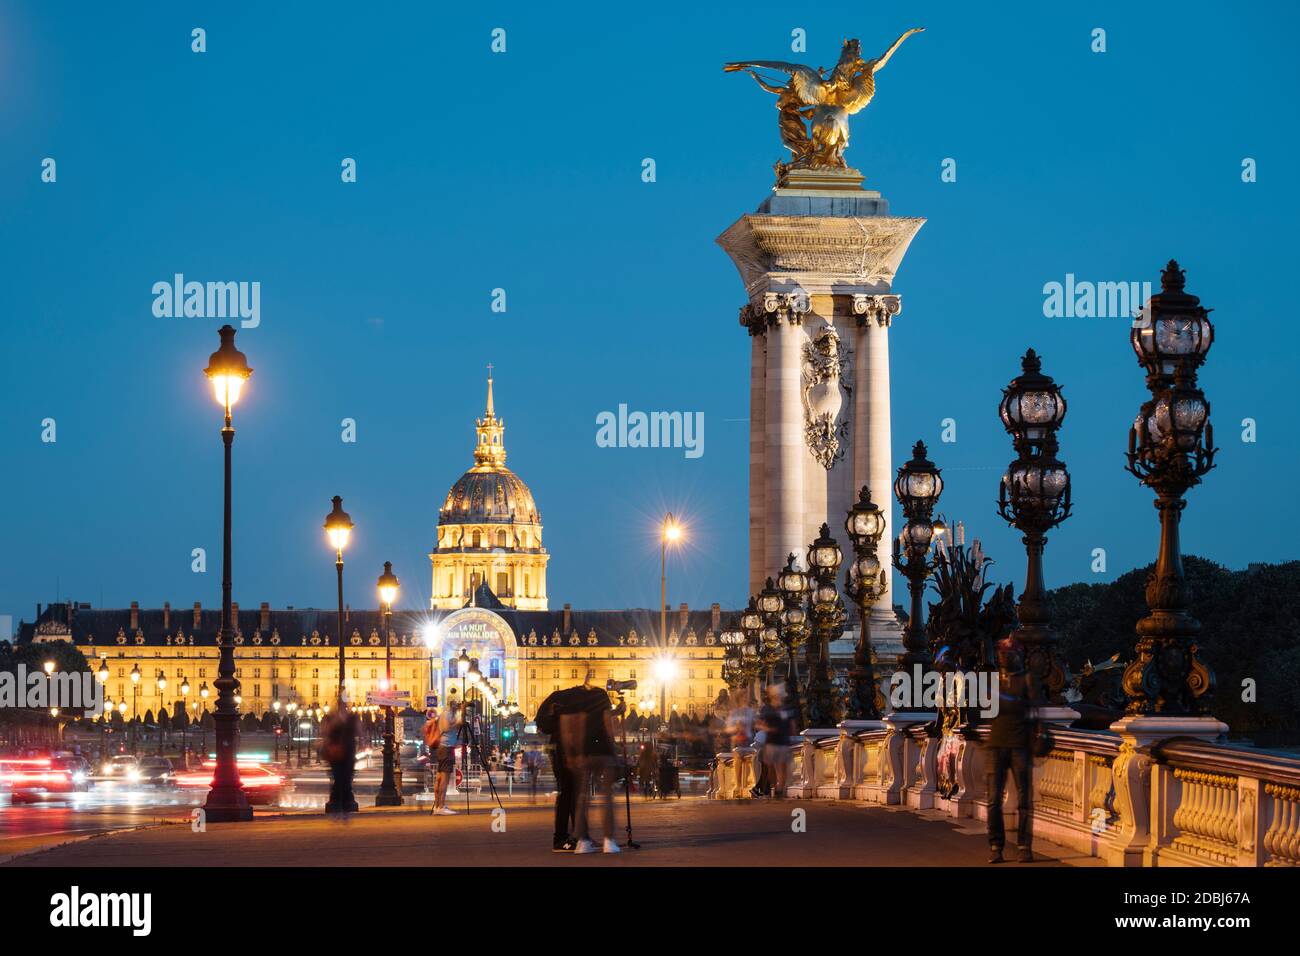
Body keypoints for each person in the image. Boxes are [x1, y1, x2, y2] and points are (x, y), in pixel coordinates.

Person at [559, 668, 620, 853]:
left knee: (582, 797)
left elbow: (566, 726)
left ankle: (583, 841)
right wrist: (615, 749)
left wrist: (570, 753)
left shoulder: (572, 698)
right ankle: (609, 841)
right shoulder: (601, 695)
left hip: (583, 751)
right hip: (603, 750)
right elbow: (608, 723)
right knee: (607, 795)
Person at [986, 638, 1034, 863]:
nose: (1003, 657)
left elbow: (1037, 712)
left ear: (1017, 655)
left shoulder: (1026, 680)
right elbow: (985, 711)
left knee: (1024, 799)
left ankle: (1024, 846)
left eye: (1007, 653)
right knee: (993, 800)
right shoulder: (994, 682)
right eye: (1001, 653)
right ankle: (996, 846)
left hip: (1019, 745)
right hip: (996, 744)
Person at [534, 682, 589, 852]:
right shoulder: (574, 703)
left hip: (559, 748)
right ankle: (561, 838)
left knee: (571, 792)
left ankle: (577, 835)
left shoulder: (562, 698)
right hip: (564, 750)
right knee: (569, 793)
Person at [320, 698, 359, 818]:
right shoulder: (346, 719)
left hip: (341, 754)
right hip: (340, 754)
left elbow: (325, 733)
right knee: (342, 778)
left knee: (341, 778)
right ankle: (342, 804)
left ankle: (339, 804)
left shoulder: (343, 719)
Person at [758, 683, 793, 798]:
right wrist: (768, 729)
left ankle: (780, 789)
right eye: (777, 695)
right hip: (771, 742)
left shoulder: (786, 708)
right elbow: (759, 724)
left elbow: (792, 724)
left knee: (783, 767)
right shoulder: (766, 708)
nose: (779, 697)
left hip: (784, 741)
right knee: (771, 767)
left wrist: (792, 735)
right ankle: (774, 787)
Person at [430, 699, 463, 815]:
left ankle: (438, 805)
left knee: (440, 778)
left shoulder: (448, 714)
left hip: (445, 747)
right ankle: (440, 806)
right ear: (451, 705)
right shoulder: (446, 714)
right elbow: (446, 728)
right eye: (456, 705)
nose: (457, 707)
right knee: (444, 779)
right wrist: (458, 722)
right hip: (446, 747)